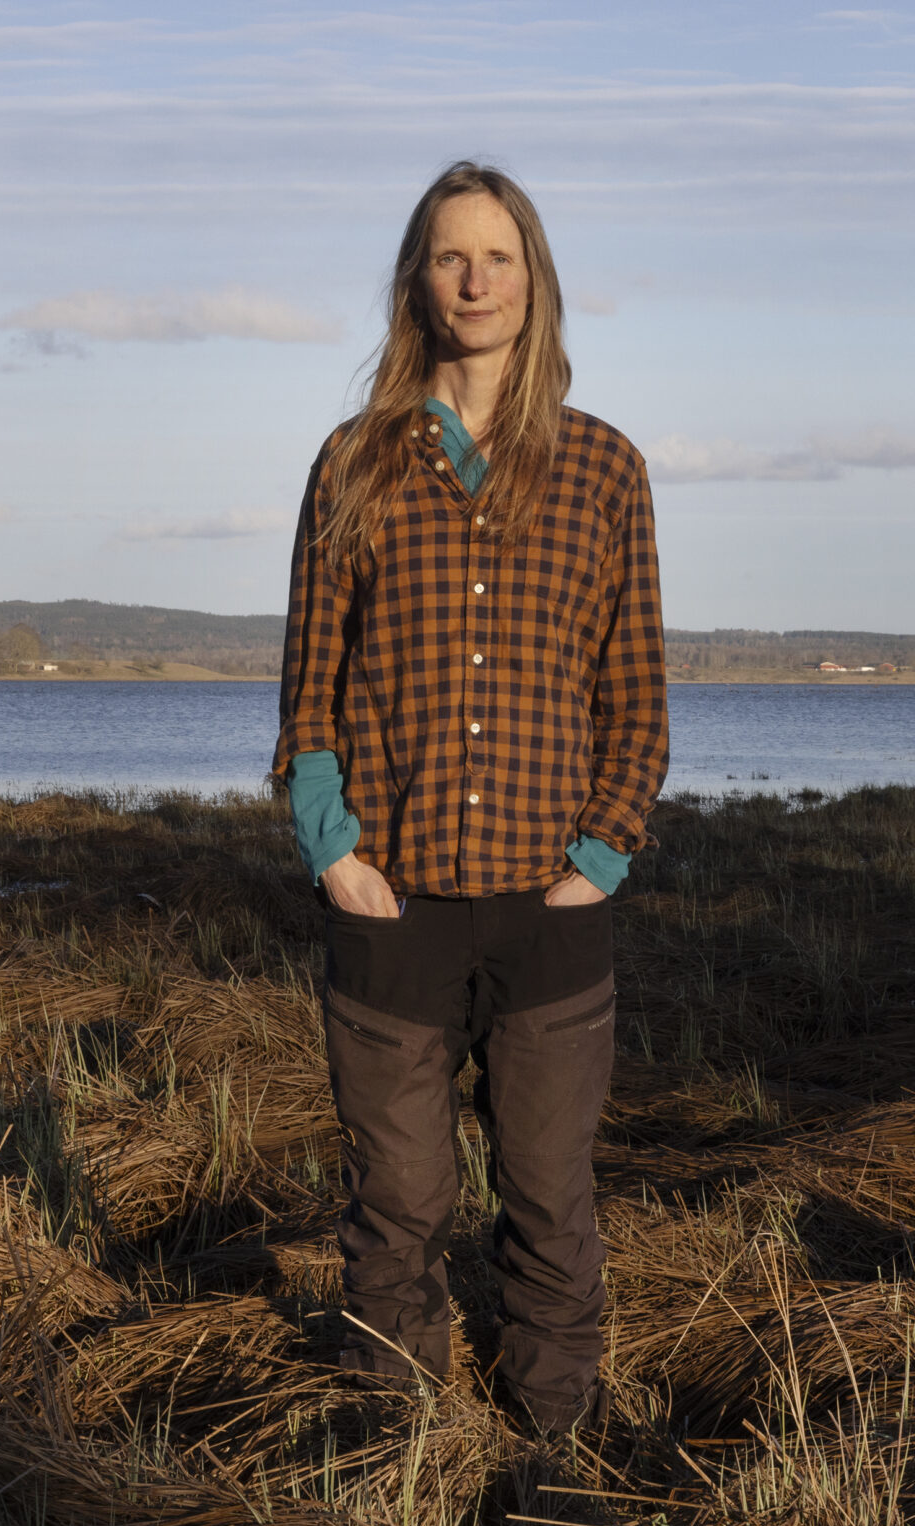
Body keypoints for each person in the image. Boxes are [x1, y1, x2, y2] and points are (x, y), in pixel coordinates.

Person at [273, 160, 668, 1434]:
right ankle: (396, 1450)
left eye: (498, 256)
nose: (476, 279)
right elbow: (308, 687)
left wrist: (596, 861)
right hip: (391, 900)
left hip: (548, 912)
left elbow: (638, 698)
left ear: (533, 280)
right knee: (396, 1209)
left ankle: (553, 1448)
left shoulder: (605, 470)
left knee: (551, 1202)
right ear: (418, 280)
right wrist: (333, 852)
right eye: (451, 256)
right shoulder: (355, 463)